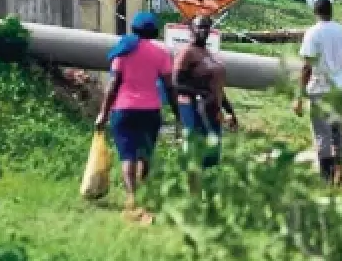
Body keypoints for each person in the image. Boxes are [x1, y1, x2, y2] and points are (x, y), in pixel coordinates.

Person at [95, 12, 178, 223]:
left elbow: (113, 86)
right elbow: (170, 88)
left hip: (124, 109)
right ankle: (143, 197)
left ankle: (132, 198)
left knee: (128, 155)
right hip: (150, 111)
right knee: (145, 154)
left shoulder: (123, 51)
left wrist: (103, 113)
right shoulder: (162, 55)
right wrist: (179, 114)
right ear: (153, 31)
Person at [293, 0, 342, 185]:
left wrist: (299, 97)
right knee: (338, 135)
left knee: (323, 136)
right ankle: (341, 175)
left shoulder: (313, 33)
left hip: (320, 90)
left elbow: (307, 67)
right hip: (339, 90)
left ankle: (326, 180)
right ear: (331, 12)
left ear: (315, 12)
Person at [173, 16, 237, 169]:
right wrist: (202, 93)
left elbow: (217, 86)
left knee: (212, 157)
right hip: (195, 110)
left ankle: (208, 190)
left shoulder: (208, 53)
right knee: (196, 157)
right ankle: (192, 190)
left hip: (213, 112)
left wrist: (229, 110)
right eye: (200, 26)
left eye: (207, 27)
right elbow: (177, 83)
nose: (204, 30)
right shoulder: (187, 53)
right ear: (192, 29)